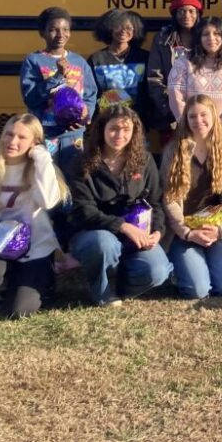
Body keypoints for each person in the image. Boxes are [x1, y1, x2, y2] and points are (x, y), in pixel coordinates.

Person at [0, 113, 67, 317]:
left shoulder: (39, 169)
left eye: (22, 137)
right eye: (8, 135)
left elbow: (48, 201)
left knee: (19, 311)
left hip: (34, 247)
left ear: (34, 143)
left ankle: (42, 281)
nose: (12, 141)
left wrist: (42, 157)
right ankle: (0, 286)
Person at [66, 105, 171, 307]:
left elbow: (156, 202)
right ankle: (100, 289)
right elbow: (83, 210)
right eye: (113, 128)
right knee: (104, 244)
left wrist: (157, 231)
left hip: (136, 233)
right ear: (102, 129)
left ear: (134, 132)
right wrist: (122, 226)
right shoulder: (82, 163)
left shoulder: (144, 160)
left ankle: (120, 286)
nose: (119, 135)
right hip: (94, 232)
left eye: (126, 130)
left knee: (157, 271)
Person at [161, 95, 222, 300]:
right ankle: (178, 268)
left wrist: (220, 229)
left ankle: (208, 262)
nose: (198, 120)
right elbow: (169, 197)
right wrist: (187, 232)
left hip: (215, 229)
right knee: (197, 291)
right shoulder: (173, 150)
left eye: (203, 115)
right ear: (185, 120)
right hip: (184, 230)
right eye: (192, 116)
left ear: (214, 117)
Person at [20, 6, 97, 156]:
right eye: (53, 30)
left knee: (73, 175)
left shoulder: (79, 62)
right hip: (46, 135)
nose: (61, 34)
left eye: (65, 29)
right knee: (46, 176)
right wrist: (57, 77)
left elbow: (90, 94)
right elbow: (30, 98)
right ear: (42, 33)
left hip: (74, 136)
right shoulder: (33, 61)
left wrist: (85, 117)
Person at [168, 16, 222, 142]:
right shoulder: (183, 63)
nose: (211, 38)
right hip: (191, 133)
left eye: (217, 33)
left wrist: (221, 129)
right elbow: (176, 98)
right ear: (198, 38)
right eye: (205, 34)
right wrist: (190, 126)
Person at [147, 0, 203, 137]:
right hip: (170, 118)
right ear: (174, 14)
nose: (186, 16)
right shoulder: (163, 40)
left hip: (202, 115)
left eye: (191, 11)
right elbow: (154, 78)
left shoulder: (206, 37)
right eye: (181, 11)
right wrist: (169, 108)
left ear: (198, 14)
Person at [88, 8, 150, 122]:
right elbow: (90, 93)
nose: (123, 31)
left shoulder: (145, 57)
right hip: (106, 122)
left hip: (137, 122)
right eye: (118, 26)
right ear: (109, 28)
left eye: (128, 28)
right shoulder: (96, 59)